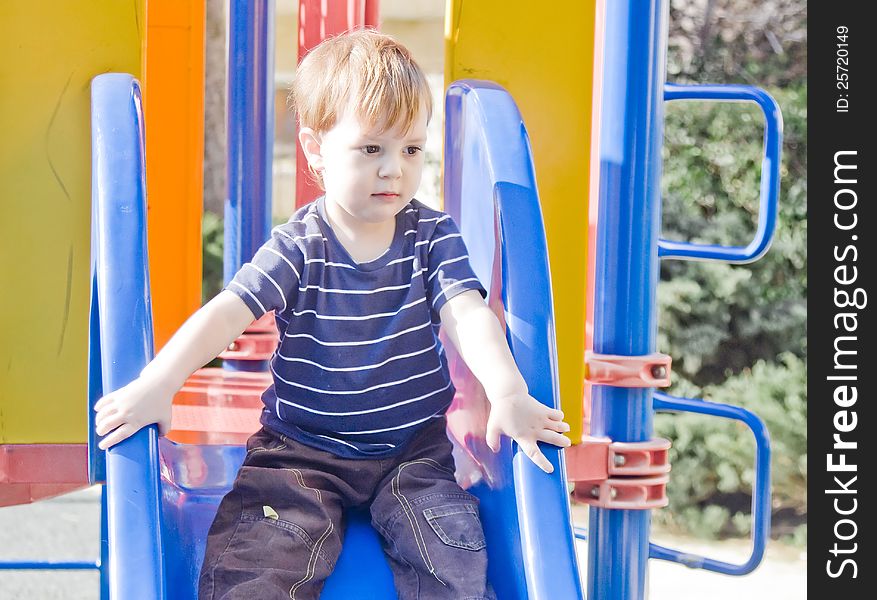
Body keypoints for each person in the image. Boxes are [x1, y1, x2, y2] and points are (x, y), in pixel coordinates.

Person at [94, 29, 571, 600]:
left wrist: (510, 393)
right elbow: (227, 313)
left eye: (411, 149)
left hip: (412, 453)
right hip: (300, 451)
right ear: (315, 148)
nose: (394, 169)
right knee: (259, 560)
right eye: (372, 149)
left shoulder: (431, 236)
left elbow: (468, 314)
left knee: (455, 558)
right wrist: (158, 384)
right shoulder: (300, 244)